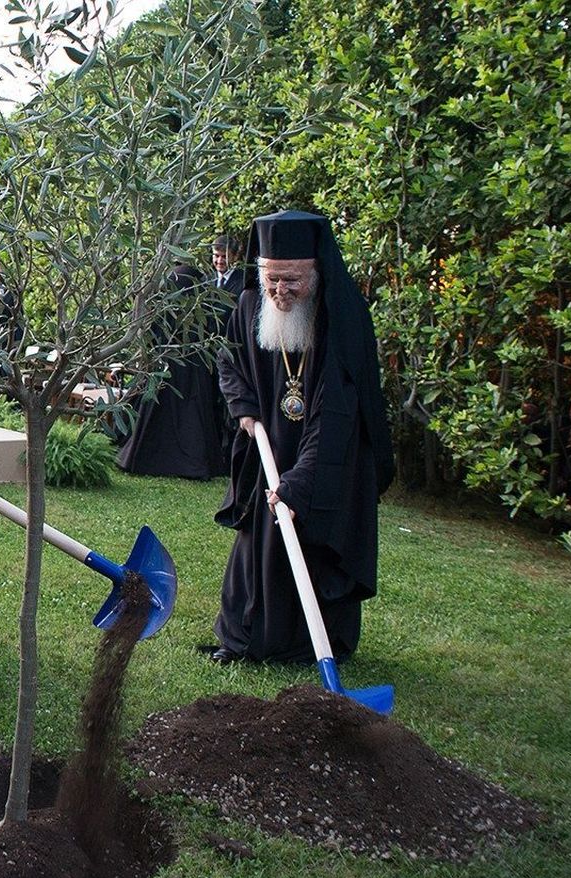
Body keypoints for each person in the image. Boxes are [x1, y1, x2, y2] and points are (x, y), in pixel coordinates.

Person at [208, 210, 394, 665]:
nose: (279, 291)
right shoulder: (250, 305)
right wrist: (244, 409)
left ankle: (313, 644)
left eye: (292, 280)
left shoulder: (340, 318)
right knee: (257, 542)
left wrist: (300, 483)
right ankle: (245, 636)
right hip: (269, 441)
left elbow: (336, 416)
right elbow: (228, 362)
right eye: (271, 279)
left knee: (314, 538)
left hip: (328, 454)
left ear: (317, 271)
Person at [116, 264, 229, 479]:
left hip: (165, 370)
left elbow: (151, 339)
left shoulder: (167, 311)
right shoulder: (199, 314)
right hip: (190, 376)